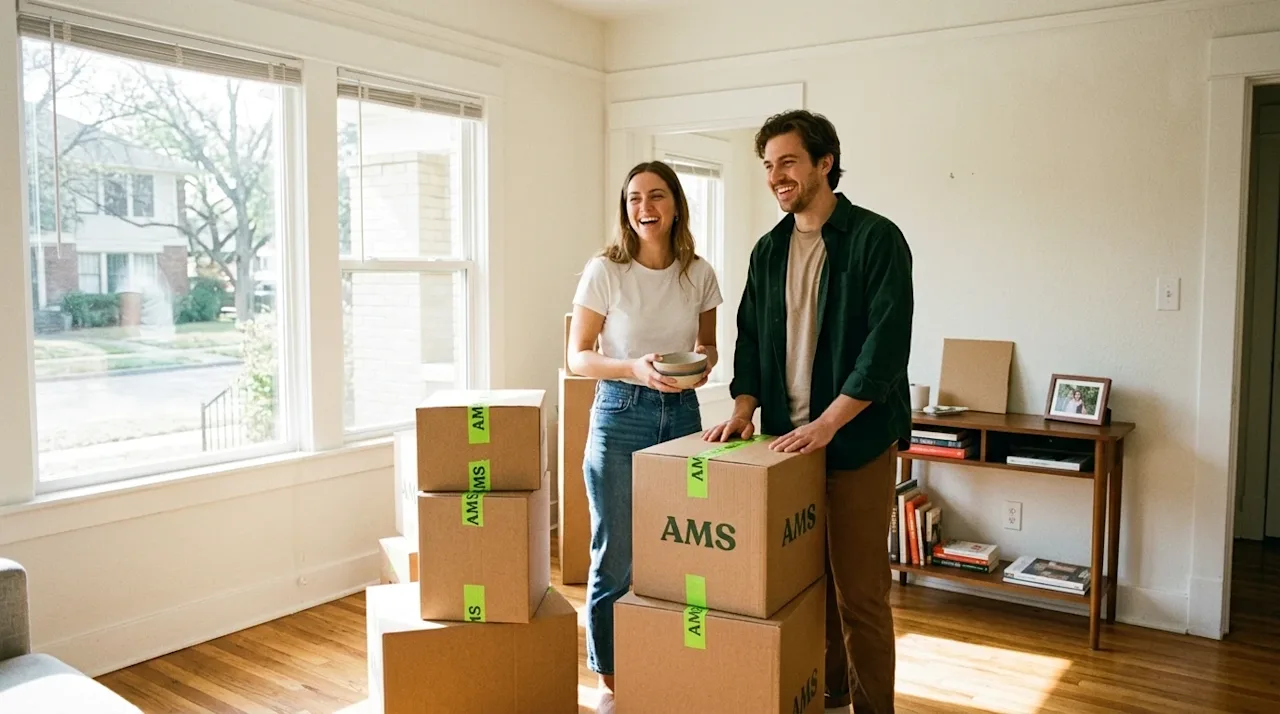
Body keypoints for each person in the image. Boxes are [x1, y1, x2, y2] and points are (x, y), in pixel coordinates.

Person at [704, 109, 913, 714]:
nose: (776, 176)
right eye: (769, 165)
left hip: (855, 443)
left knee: (860, 595)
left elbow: (883, 351)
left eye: (789, 161)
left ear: (825, 162)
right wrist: (743, 408)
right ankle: (831, 693)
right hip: (786, 448)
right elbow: (750, 338)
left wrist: (826, 424)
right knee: (808, 585)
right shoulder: (769, 250)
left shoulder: (877, 239)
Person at [567, 160, 724, 712]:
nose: (644, 208)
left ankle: (667, 658)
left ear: (676, 205)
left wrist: (700, 366)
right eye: (634, 198)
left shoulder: (698, 272)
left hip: (681, 414)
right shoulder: (605, 271)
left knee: (678, 548)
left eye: (656, 196)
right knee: (616, 554)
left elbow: (709, 346)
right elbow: (578, 357)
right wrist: (633, 368)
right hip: (620, 413)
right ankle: (612, 678)